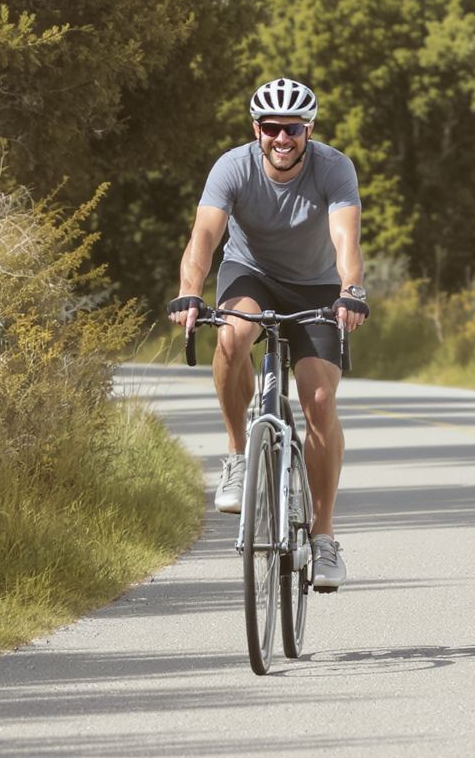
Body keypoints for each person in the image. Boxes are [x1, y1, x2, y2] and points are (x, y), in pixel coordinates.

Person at [168, 77, 369, 591]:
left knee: (320, 398)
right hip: (250, 272)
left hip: (318, 285)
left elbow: (346, 238)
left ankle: (323, 539)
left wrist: (352, 290)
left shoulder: (334, 167)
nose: (283, 138)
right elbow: (204, 238)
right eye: (273, 128)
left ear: (310, 130)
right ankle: (237, 457)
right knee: (232, 336)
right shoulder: (232, 167)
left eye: (294, 128)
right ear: (257, 129)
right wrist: (191, 291)